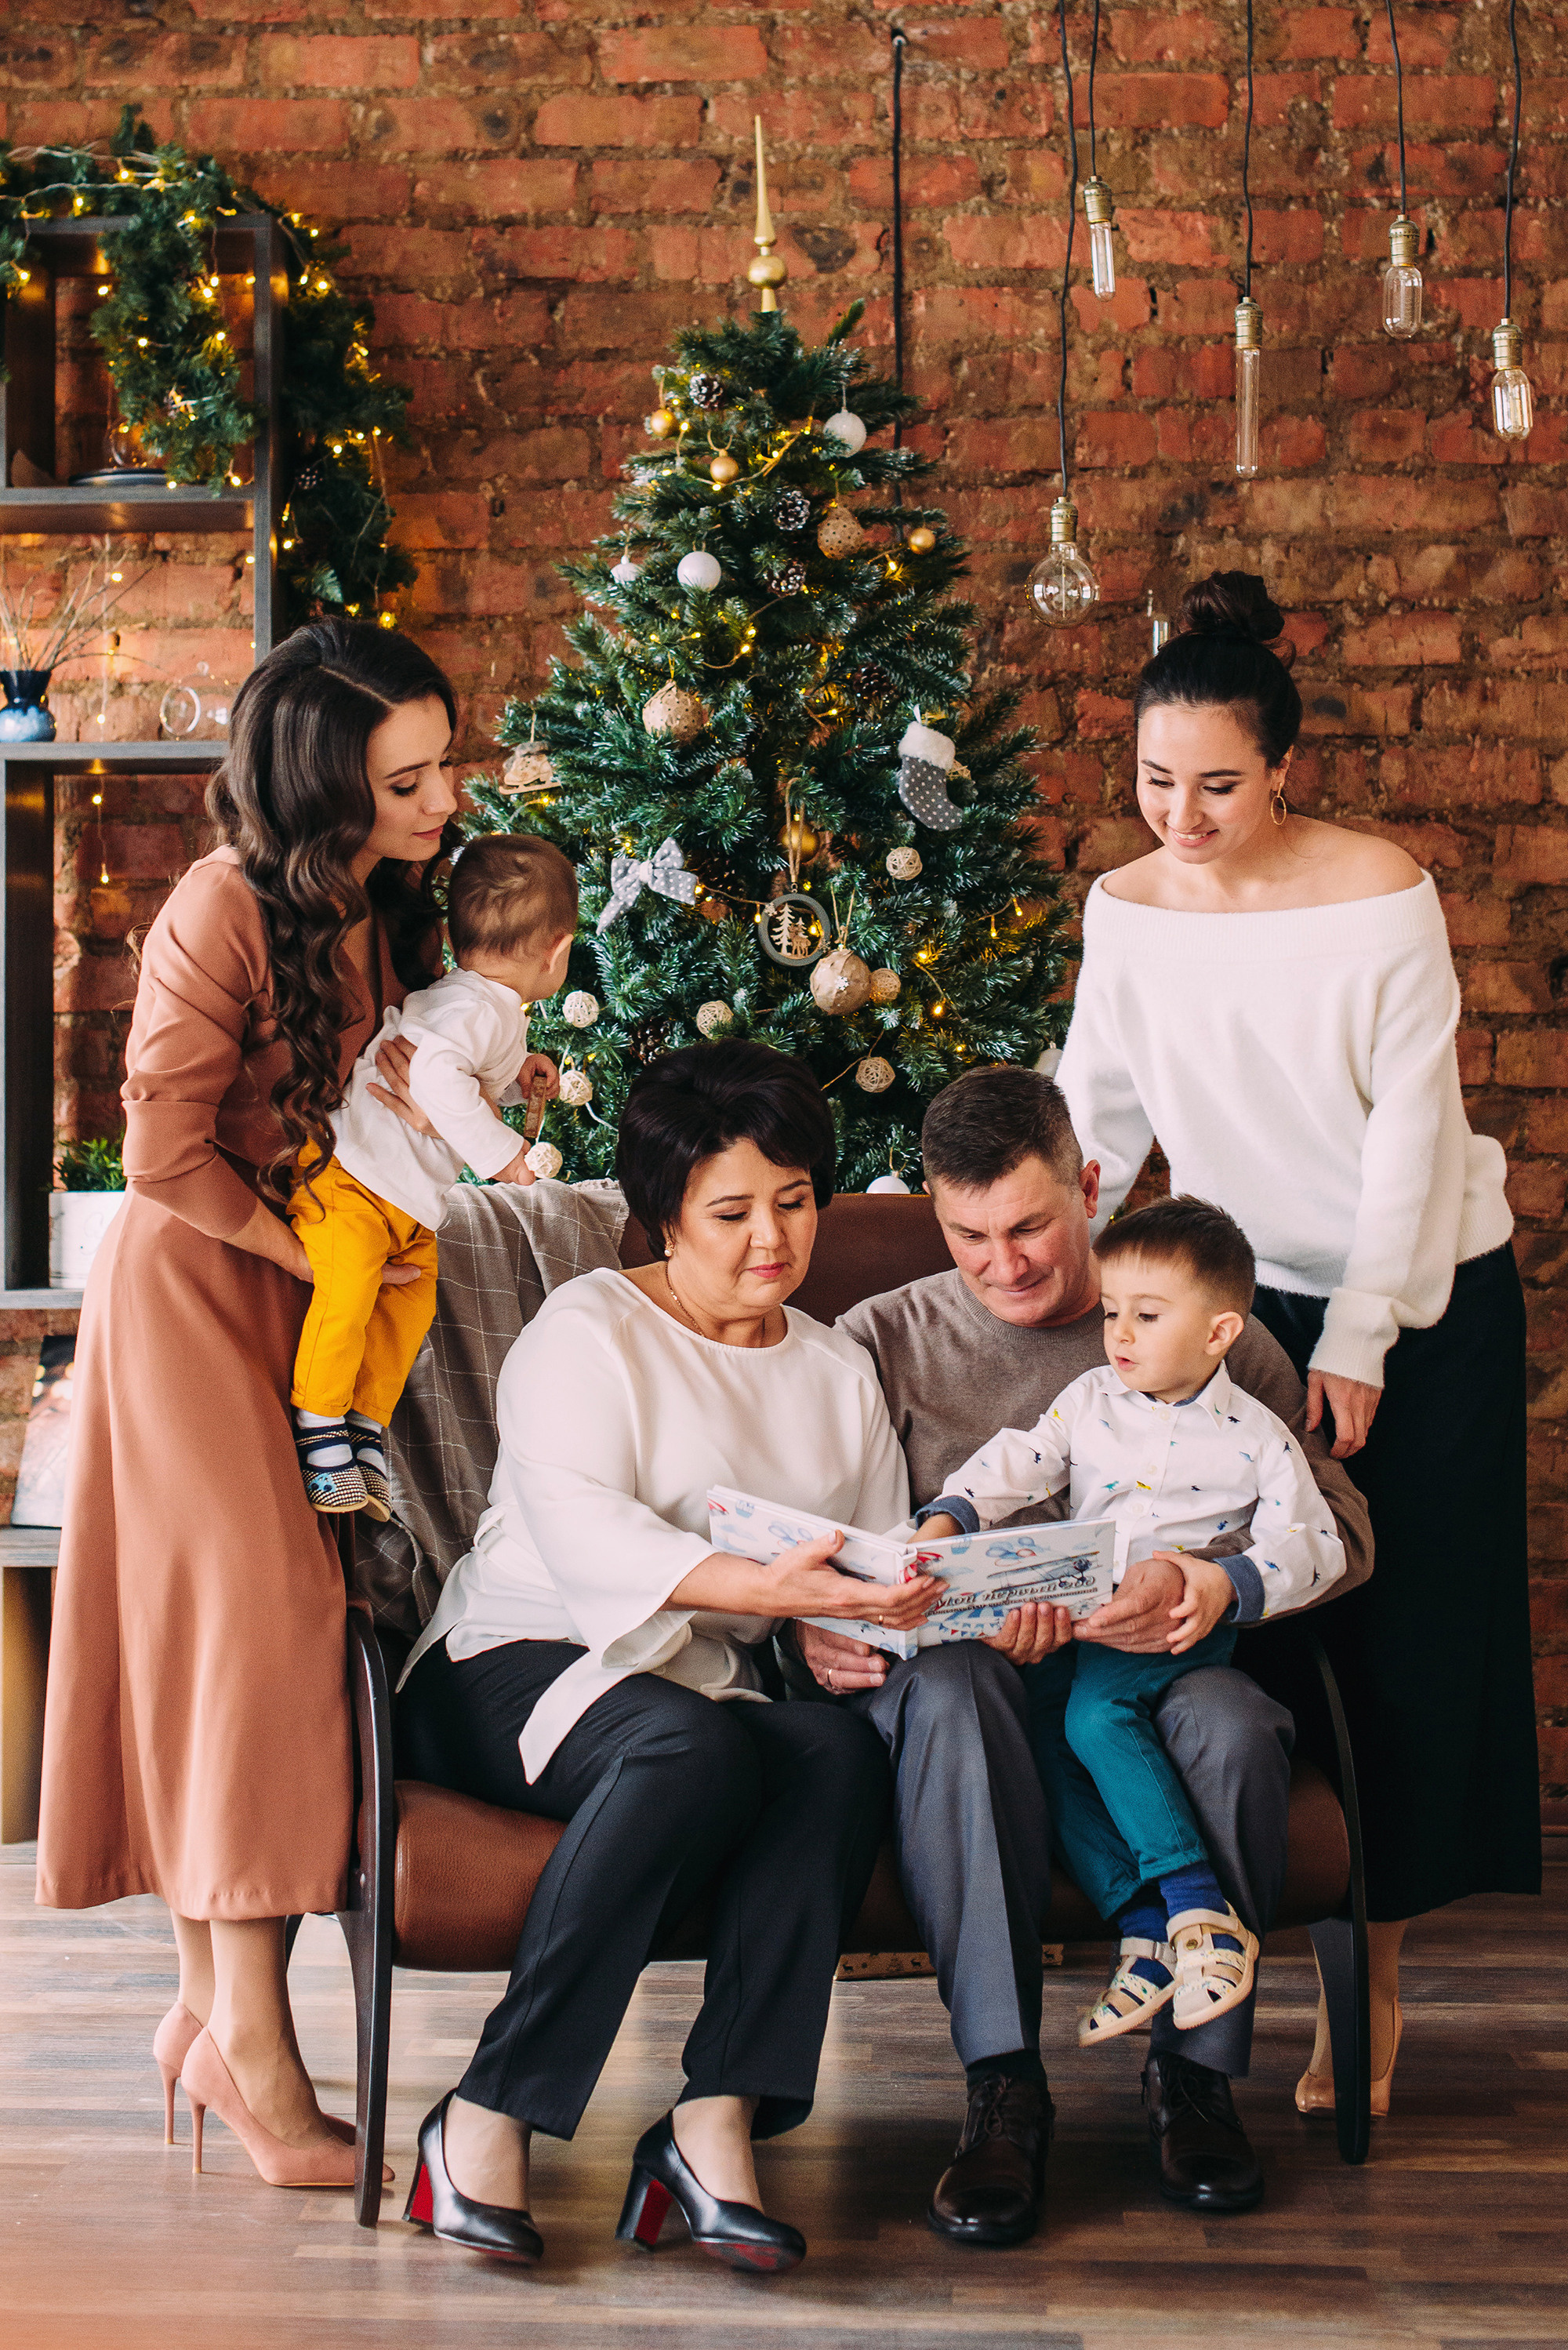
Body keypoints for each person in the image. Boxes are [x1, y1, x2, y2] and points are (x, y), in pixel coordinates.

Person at [1056, 568, 1540, 2117]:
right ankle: (1217, 1974)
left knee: (1396, 1647)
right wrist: (1056, 1252)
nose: (1180, 815)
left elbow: (1413, 1133)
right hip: (1238, 1292)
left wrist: (1365, 1333)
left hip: (1422, 1295)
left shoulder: (1379, 894)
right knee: (1239, 1637)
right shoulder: (1126, 907)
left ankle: (1367, 1985)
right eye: (1154, 782)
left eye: (1215, 784)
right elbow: (1095, 1103)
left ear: (1283, 769)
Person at [35, 619, 470, 2188]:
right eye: (405, 781)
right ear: (320, 784)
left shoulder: (381, 898)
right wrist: (311, 1253)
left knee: (275, 1635)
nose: (441, 801)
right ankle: (255, 2053)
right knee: (263, 1632)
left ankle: (212, 2015)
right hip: (199, 1295)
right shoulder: (219, 904)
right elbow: (158, 1153)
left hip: (305, 1295)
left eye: (443, 766)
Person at [394, 1041, 938, 2273]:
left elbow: (865, 1551)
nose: (773, 1239)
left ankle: (713, 2123)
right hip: (518, 1656)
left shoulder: (835, 1367)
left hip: (697, 1688)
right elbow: (587, 1534)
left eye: (795, 1201)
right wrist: (772, 1592)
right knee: (689, 1746)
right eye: (733, 1212)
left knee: (831, 1755)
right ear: (666, 1215)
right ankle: (485, 2113)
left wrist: (838, 1623)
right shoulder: (590, 1328)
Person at [809, 1064, 1373, 2237]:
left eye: (1028, 1228)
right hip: (965, 1679)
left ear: (1088, 1188)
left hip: (1156, 1661)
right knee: (962, 1695)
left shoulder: (1204, 1331)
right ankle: (1002, 2086)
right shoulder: (881, 1339)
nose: (1003, 1265)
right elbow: (834, 1544)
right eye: (968, 1236)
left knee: (1229, 1722)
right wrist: (849, 1605)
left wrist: (1208, 1583)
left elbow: (1343, 1535)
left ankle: (1194, 2078)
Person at [919, 1196, 1345, 2047]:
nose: (1118, 1333)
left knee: (1096, 1717)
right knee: (1043, 1741)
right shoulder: (1090, 1399)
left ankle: (1198, 1909)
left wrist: (1226, 1583)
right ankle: (1144, 1927)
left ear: (1220, 1333)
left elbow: (1317, 1546)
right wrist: (953, 1513)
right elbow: (1024, 1458)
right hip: (1085, 1617)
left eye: (1146, 1316)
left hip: (1175, 1623)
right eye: (1113, 1311)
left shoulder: (1258, 1438)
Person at [290, 832, 575, 1517]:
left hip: (403, 1195)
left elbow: (462, 1073)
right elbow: (440, 1076)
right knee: (348, 1290)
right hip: (354, 1176)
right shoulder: (484, 1010)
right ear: (557, 950)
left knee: (410, 1302)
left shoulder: (479, 1002)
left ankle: (365, 1419)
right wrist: (504, 1155)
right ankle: (318, 1422)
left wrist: (516, 1080)